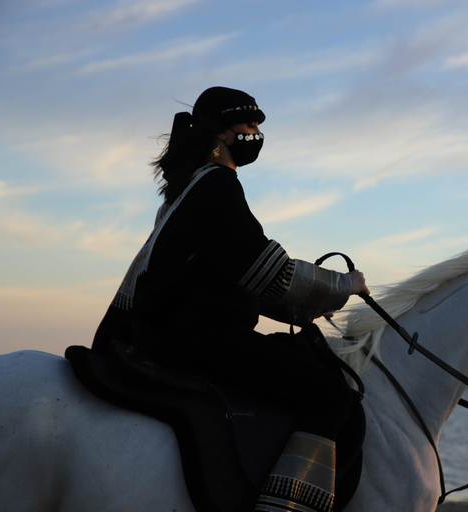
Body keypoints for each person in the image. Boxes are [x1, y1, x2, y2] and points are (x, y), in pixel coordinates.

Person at [87, 86, 369, 512]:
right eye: (250, 125)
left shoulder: (186, 190)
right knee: (332, 397)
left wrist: (299, 308)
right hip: (205, 336)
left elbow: (231, 275)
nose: (256, 133)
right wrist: (344, 285)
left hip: (180, 330)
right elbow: (267, 268)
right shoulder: (216, 186)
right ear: (221, 134)